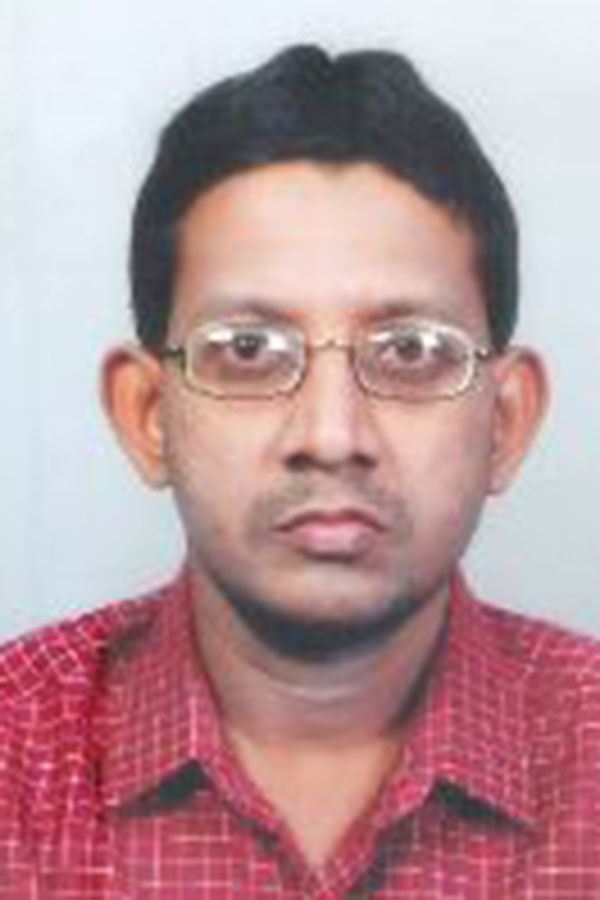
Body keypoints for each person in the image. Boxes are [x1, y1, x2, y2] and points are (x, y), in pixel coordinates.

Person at [1, 44, 599, 900]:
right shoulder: (15, 758)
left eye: (410, 351)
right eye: (248, 350)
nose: (330, 435)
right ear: (147, 414)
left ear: (504, 421)